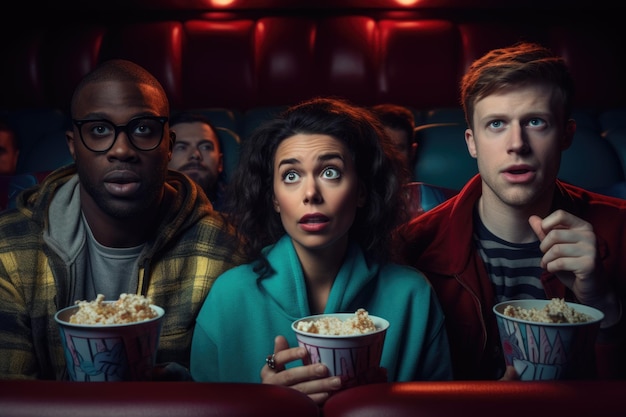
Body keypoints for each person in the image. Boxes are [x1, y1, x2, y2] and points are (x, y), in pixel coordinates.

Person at [190, 97, 453, 404]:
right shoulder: (229, 296)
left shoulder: (413, 295)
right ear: (274, 198)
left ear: (362, 191)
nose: (311, 193)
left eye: (330, 172)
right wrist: (264, 406)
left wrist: (381, 404)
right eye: (291, 176)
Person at [395, 42, 626, 380]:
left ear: (566, 134)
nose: (517, 143)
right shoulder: (412, 245)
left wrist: (603, 303)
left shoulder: (621, 229)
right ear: (472, 142)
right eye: (497, 124)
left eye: (535, 121)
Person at [0, 59, 244, 380]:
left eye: (143, 128)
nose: (121, 150)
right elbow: (11, 395)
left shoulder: (224, 249)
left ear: (168, 146)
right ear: (73, 146)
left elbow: (230, 387)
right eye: (99, 130)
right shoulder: (10, 248)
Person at [168, 111, 225, 210]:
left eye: (205, 147)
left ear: (220, 162)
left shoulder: (245, 208)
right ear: (164, 159)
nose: (195, 154)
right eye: (181, 147)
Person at [370, 103, 417, 178]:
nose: (391, 157)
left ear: (412, 152)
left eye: (398, 149)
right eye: (384, 147)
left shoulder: (422, 189)